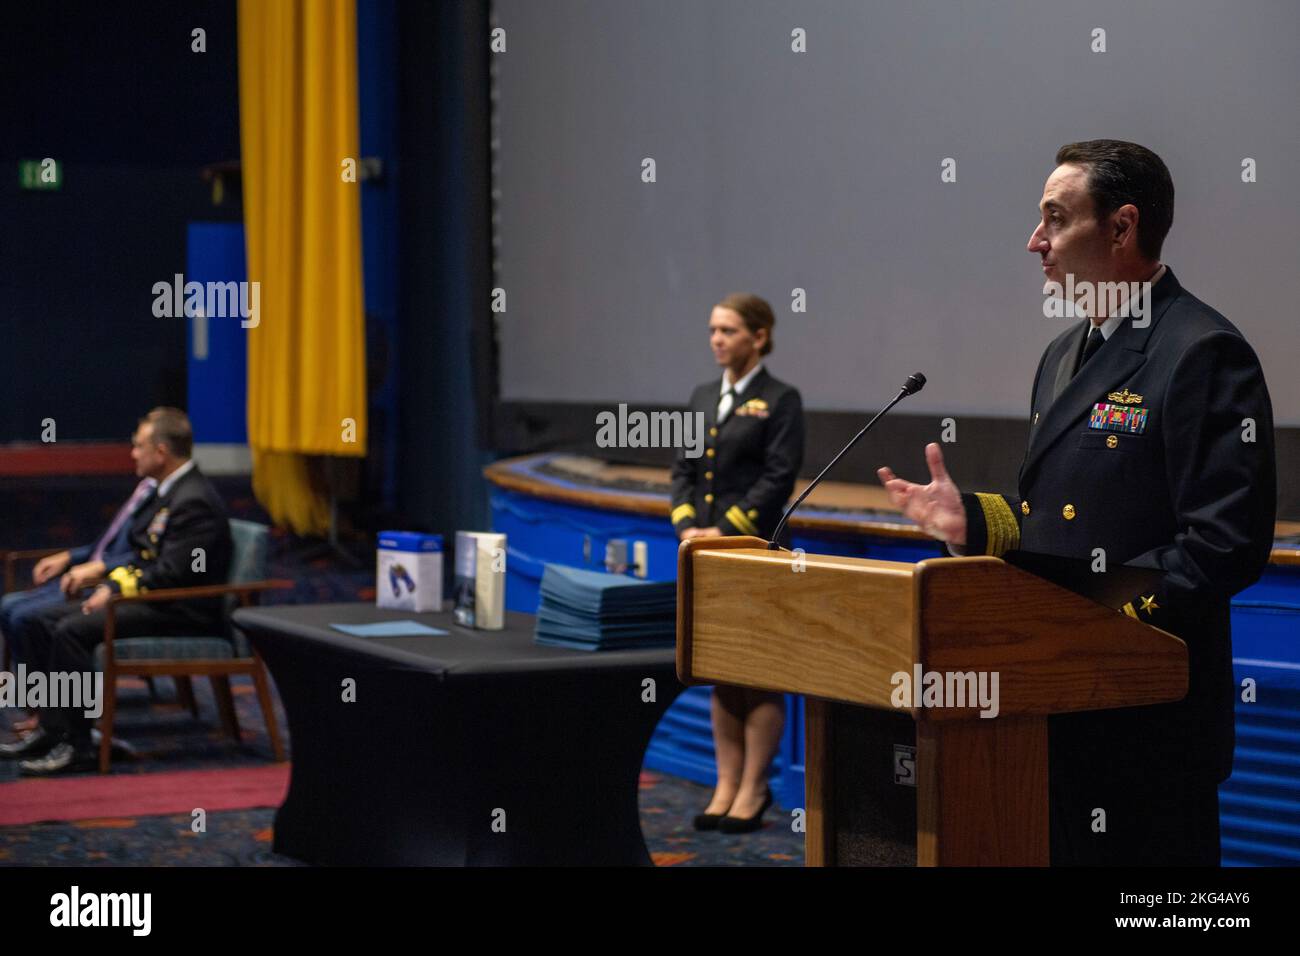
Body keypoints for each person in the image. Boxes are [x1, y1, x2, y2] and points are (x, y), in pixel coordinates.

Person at [877, 140, 1276, 866]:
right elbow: (1058, 513)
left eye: (1055, 220)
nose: (1036, 242)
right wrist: (974, 520)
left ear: (1122, 228)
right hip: (1058, 701)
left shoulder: (1201, 350)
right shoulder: (1062, 353)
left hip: (1147, 712)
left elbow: (1224, 545)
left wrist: (1089, 614)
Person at [0, 407, 233, 775]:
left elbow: (173, 573)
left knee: (72, 629)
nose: (132, 454)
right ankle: (55, 728)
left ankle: (78, 746)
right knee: (49, 620)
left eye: (138, 446)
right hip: (154, 598)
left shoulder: (193, 500)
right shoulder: (165, 493)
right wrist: (113, 582)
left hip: (180, 610)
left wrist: (114, 586)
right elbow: (139, 554)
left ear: (161, 451)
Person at [670, 292, 805, 832]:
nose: (717, 340)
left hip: (755, 550)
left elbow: (778, 478)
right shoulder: (703, 395)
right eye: (712, 330)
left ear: (760, 336)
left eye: (728, 330)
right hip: (705, 552)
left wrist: (723, 531)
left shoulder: (781, 398)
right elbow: (680, 470)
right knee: (723, 671)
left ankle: (754, 787)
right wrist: (687, 526)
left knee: (760, 673)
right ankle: (725, 785)